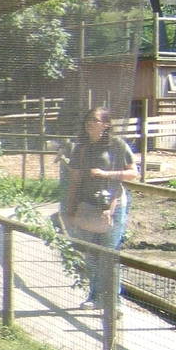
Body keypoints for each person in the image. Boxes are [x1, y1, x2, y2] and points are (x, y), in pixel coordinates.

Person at [61, 106, 138, 310]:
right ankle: (95, 296)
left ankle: (114, 300)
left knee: (110, 253)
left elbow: (133, 174)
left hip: (113, 205)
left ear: (106, 124)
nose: (90, 124)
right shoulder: (81, 148)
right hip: (87, 205)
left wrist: (106, 174)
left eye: (94, 120)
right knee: (92, 253)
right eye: (88, 120)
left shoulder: (117, 145)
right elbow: (75, 180)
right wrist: (69, 208)